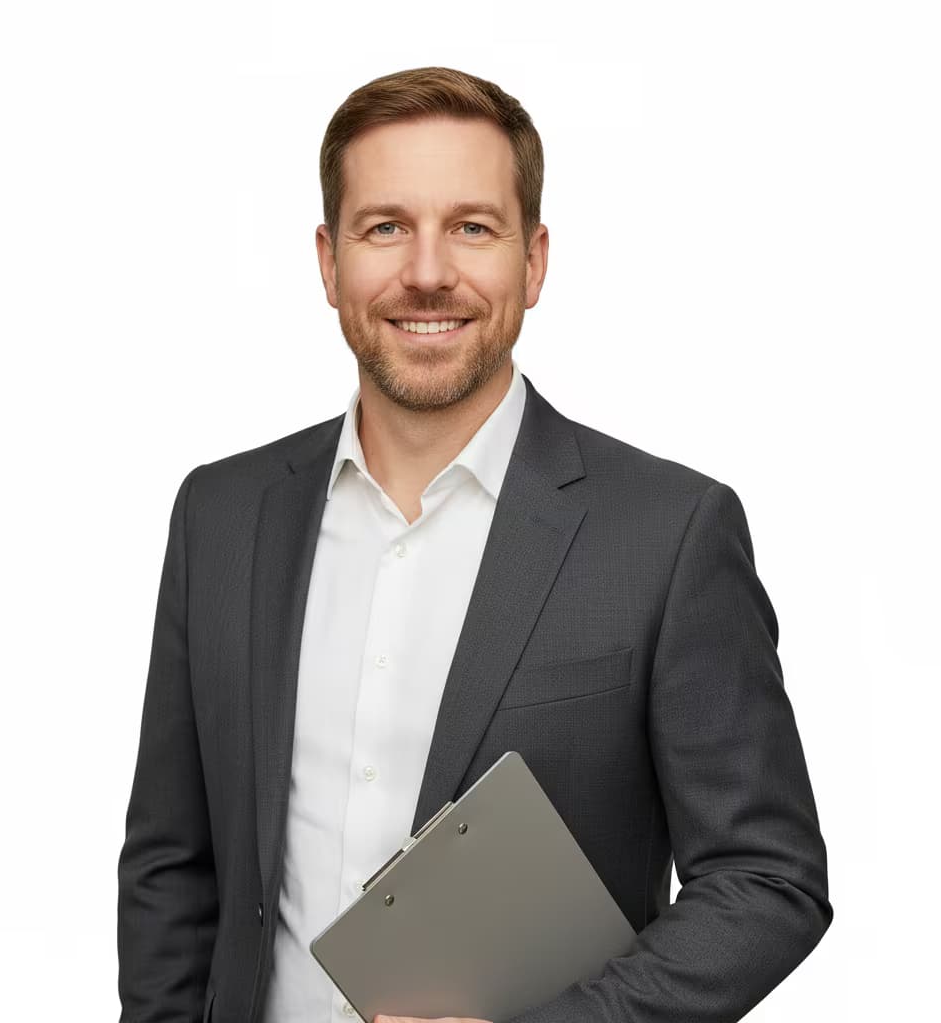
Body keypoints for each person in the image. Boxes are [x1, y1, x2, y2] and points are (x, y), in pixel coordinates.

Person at [117, 66, 832, 1023]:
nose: (426, 272)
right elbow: (172, 865)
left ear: (533, 262)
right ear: (328, 261)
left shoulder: (668, 534)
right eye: (385, 227)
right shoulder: (221, 515)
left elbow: (766, 878)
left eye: (471, 227)